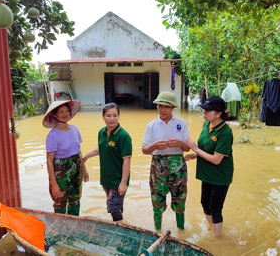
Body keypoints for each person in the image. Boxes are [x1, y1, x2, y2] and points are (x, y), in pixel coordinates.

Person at [184, 95, 234, 238]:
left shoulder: (225, 133)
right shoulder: (207, 124)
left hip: (220, 175)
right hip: (207, 172)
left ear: (218, 114)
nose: (204, 113)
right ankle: (213, 228)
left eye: (207, 111)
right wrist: (196, 155)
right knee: (205, 203)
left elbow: (217, 159)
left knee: (216, 208)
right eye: (204, 110)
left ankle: (217, 240)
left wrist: (195, 149)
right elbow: (206, 148)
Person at [141, 91, 191, 231]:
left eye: (166, 107)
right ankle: (157, 231)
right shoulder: (151, 125)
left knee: (180, 200)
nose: (162, 110)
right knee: (157, 201)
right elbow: (144, 150)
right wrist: (154, 146)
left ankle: (181, 231)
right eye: (160, 106)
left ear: (172, 108)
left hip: (178, 165)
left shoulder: (182, 123)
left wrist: (180, 143)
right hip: (158, 165)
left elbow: (187, 148)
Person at [82, 102, 132, 222]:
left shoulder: (123, 136)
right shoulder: (102, 132)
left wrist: (123, 183)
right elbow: (101, 147)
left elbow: (127, 160)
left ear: (119, 116)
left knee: (113, 207)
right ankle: (123, 223)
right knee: (116, 205)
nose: (112, 119)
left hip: (117, 180)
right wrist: (87, 156)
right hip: (106, 179)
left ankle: (120, 232)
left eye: (115, 115)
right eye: (108, 115)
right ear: (103, 117)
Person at [42, 99, 86, 215]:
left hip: (76, 170)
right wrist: (54, 184)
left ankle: (74, 226)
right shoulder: (52, 136)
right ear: (55, 115)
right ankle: (60, 229)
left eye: (67, 111)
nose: (65, 114)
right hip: (60, 173)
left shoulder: (75, 129)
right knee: (59, 202)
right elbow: (49, 161)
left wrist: (84, 170)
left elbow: (78, 152)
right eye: (61, 112)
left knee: (75, 201)